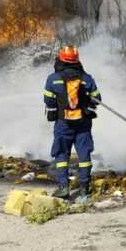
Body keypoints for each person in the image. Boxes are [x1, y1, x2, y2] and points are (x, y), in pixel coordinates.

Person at [43, 46, 101, 199]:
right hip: (82, 123)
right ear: (77, 60)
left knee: (61, 154)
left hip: (63, 123)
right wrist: (86, 99)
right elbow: (97, 98)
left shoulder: (52, 78)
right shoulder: (86, 78)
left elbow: (48, 100)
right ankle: (84, 187)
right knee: (84, 154)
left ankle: (63, 188)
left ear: (61, 59)